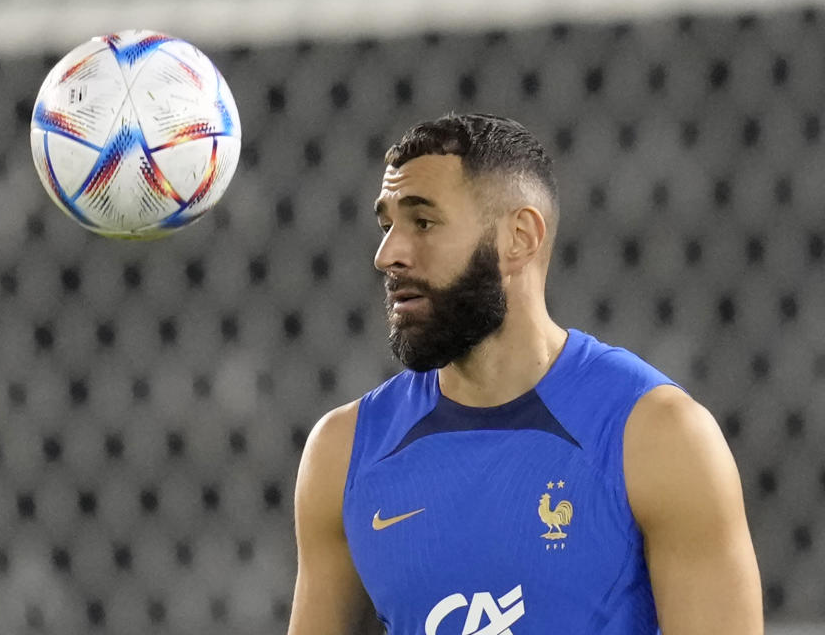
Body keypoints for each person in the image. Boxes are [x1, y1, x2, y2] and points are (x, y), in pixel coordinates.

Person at [287, 113, 762, 634]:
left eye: (422, 222)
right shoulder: (344, 453)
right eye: (387, 226)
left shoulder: (657, 436)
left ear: (519, 237)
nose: (388, 255)